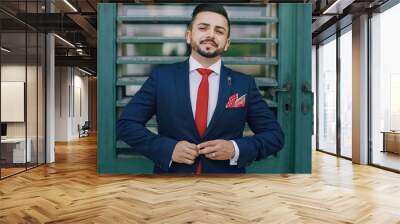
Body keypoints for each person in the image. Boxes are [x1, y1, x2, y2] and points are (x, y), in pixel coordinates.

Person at [117, 4, 284, 174]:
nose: (211, 34)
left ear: (227, 43)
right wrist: (168, 149)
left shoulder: (244, 84)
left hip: (226, 187)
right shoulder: (161, 78)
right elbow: (126, 125)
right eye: (203, 28)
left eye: (219, 31)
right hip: (171, 185)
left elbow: (274, 136)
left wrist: (235, 149)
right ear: (189, 36)